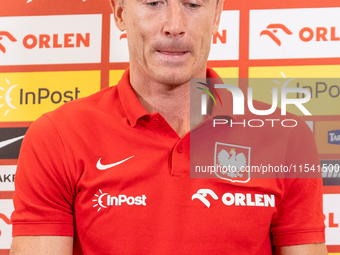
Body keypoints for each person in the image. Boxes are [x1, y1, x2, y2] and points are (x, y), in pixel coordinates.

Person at [10, 0, 328, 254]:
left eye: (193, 4)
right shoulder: (57, 136)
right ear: (120, 13)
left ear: (217, 15)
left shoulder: (286, 135)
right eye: (153, 3)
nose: (174, 26)